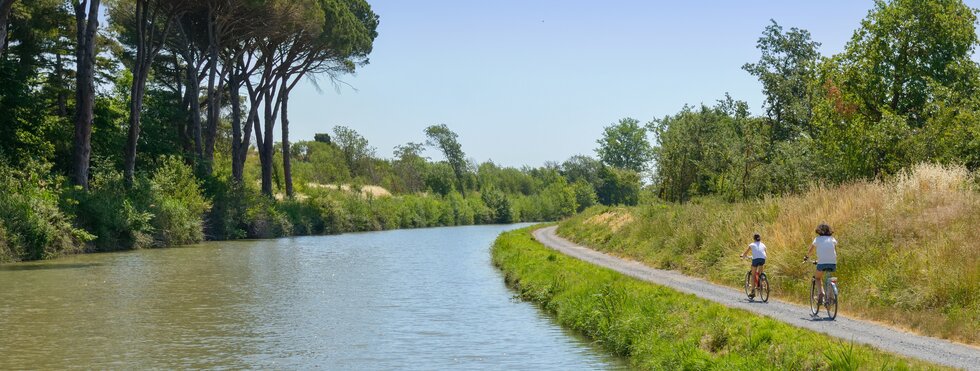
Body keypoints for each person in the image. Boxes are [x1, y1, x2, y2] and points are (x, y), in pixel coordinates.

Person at [805, 223, 837, 304]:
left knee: (818, 278)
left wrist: (806, 257)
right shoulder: (832, 239)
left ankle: (821, 293)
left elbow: (811, 250)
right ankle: (830, 297)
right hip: (833, 262)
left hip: (822, 262)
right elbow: (830, 250)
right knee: (829, 278)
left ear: (818, 231)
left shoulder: (817, 239)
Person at [740, 233, 766, 298]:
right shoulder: (763, 245)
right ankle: (762, 281)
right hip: (763, 259)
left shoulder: (752, 244)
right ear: (760, 238)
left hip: (755, 260)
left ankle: (752, 291)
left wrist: (743, 256)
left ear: (754, 239)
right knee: (760, 273)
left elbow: (745, 253)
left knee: (753, 275)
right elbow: (763, 253)